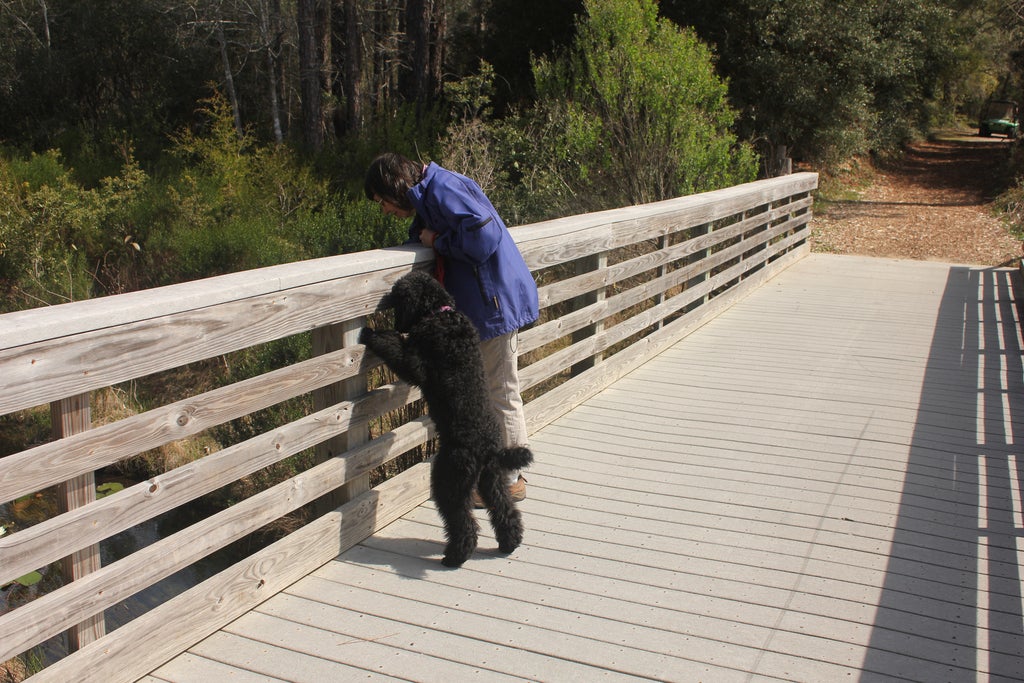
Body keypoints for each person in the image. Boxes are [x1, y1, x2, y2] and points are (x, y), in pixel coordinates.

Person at [364, 152, 538, 501]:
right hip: (486, 304)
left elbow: (484, 238)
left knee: (501, 392)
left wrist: (436, 242)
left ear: (396, 186)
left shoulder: (444, 188)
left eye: (383, 201)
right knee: (494, 392)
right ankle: (498, 478)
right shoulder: (433, 193)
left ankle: (508, 482)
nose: (384, 210)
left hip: (493, 305)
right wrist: (425, 235)